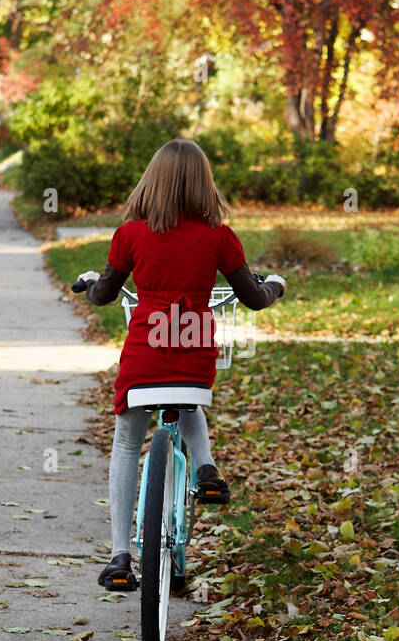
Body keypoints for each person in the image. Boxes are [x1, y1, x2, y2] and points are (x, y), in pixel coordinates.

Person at [76, 138, 285, 591]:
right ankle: (206, 468)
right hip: (193, 354)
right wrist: (277, 287)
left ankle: (119, 557)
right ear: (203, 184)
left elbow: (105, 294)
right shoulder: (219, 238)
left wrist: (92, 284)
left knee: (128, 444)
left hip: (145, 356)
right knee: (189, 403)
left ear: (153, 181)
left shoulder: (130, 234)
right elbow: (252, 297)